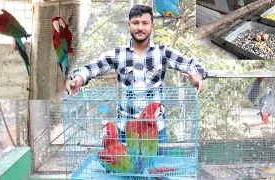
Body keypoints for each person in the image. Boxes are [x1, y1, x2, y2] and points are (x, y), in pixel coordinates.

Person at [67, 5, 207, 155]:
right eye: (136, 23)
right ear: (129, 25)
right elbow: (89, 68)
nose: (140, 27)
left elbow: (191, 64)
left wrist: (197, 77)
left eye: (145, 23)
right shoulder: (117, 54)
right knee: (126, 175)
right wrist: (79, 79)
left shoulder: (163, 52)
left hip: (156, 131)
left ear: (152, 26)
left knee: (158, 173)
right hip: (126, 131)